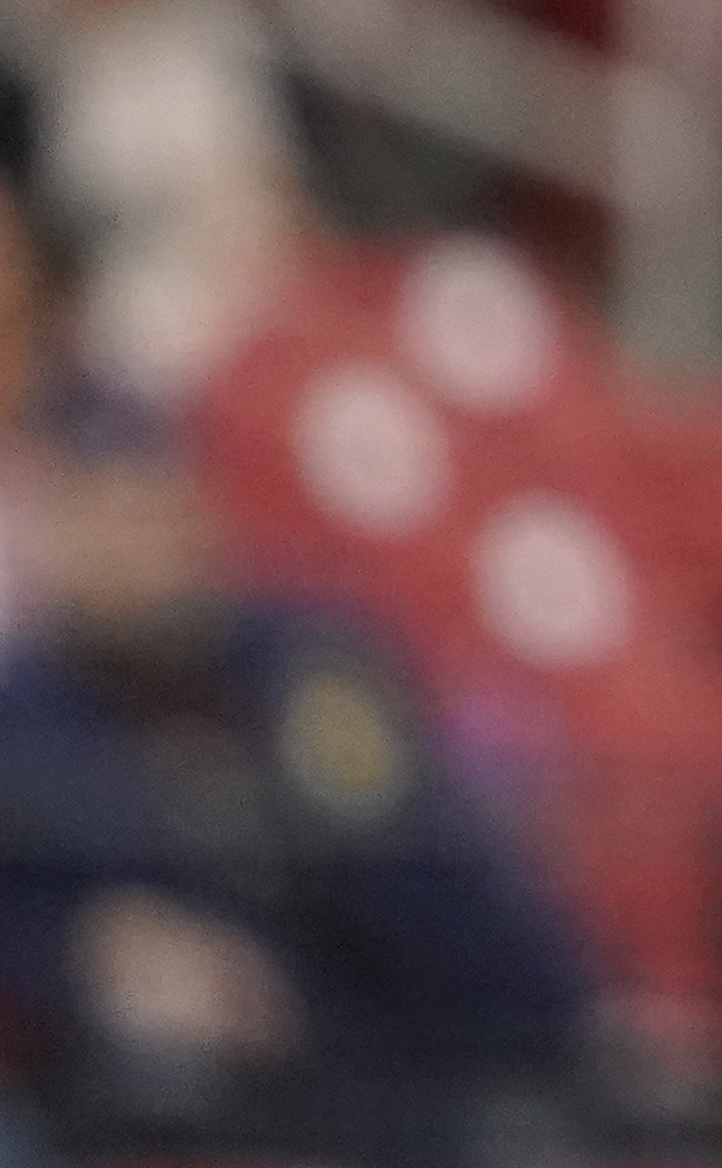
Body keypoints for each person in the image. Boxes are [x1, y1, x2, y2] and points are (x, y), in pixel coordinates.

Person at [0, 392, 595, 1168]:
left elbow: (443, 895)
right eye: (100, 516)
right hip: (118, 1103)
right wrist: (80, 951)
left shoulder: (304, 665)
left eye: (154, 512)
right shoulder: (22, 710)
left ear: (202, 521)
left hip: (372, 1069)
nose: (131, 547)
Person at [21, 0, 308, 406]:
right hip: (96, 342)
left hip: (197, 351)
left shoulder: (206, 31)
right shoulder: (64, 22)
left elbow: (266, 208)